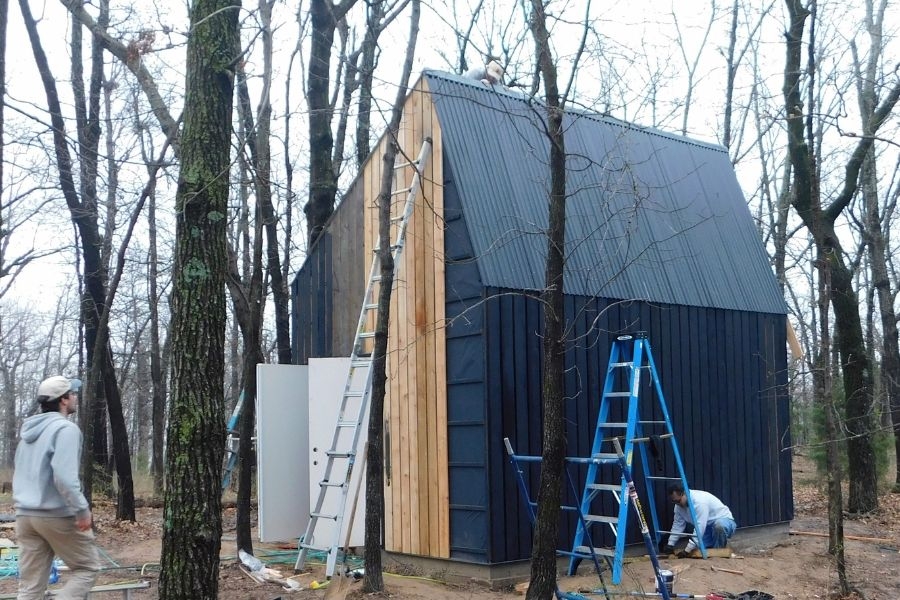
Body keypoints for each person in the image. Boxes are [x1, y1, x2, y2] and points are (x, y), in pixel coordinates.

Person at [13, 376, 99, 599]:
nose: (76, 397)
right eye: (73, 394)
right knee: (87, 568)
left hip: (25, 517)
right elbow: (64, 477)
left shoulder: (27, 434)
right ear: (63, 400)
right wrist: (82, 510)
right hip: (56, 515)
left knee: (30, 588)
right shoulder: (66, 429)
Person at [662, 483, 736, 558]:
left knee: (719, 526)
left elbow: (700, 526)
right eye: (674, 501)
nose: (677, 504)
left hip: (725, 521)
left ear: (684, 493)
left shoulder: (700, 502)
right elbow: (677, 525)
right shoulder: (678, 506)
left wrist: (687, 550)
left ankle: (719, 552)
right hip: (707, 528)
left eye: (678, 501)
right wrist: (670, 544)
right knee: (697, 548)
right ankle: (716, 545)